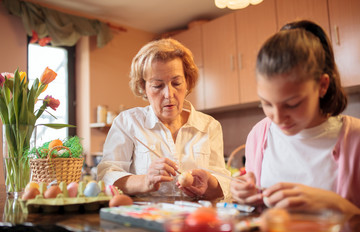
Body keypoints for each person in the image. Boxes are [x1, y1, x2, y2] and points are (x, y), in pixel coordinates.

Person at [230, 20, 360, 214]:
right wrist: (242, 197)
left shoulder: (355, 139)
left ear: (322, 85)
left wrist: (335, 205)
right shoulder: (259, 135)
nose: (279, 118)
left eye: (292, 104)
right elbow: (255, 215)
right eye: (266, 104)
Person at [97, 38, 230, 200]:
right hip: (145, 219)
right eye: (157, 86)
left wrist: (209, 182)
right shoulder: (127, 122)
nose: (169, 94)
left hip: (197, 218)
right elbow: (107, 176)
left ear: (187, 82)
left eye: (177, 83)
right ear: (143, 87)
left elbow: (224, 184)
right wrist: (145, 180)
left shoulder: (209, 126)